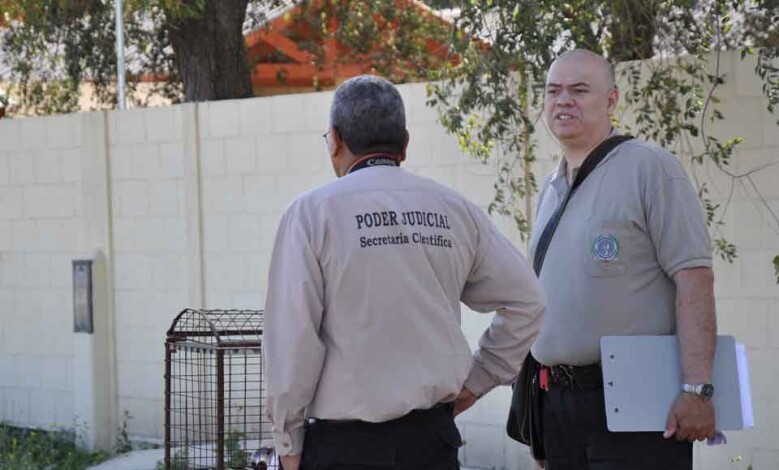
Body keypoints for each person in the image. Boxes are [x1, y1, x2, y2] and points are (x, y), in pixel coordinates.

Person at [263, 75, 546, 470]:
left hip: (341, 449)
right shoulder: (453, 209)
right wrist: (479, 380)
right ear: (405, 143)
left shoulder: (312, 215)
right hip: (431, 443)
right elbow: (527, 300)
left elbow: (292, 341)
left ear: (335, 141)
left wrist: (288, 445)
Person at [527, 49, 717, 469]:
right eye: (553, 90)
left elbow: (695, 278)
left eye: (579, 90)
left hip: (637, 402)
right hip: (558, 403)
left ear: (611, 100)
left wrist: (698, 388)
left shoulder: (650, 168)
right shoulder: (551, 186)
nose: (563, 101)